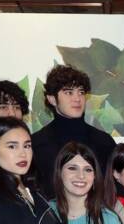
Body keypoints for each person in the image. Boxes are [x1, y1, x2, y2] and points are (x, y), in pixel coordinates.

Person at [32, 65, 116, 197]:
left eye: (81, 92)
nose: (77, 99)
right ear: (52, 99)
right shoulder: (37, 143)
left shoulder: (104, 141)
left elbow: (114, 187)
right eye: (69, 92)